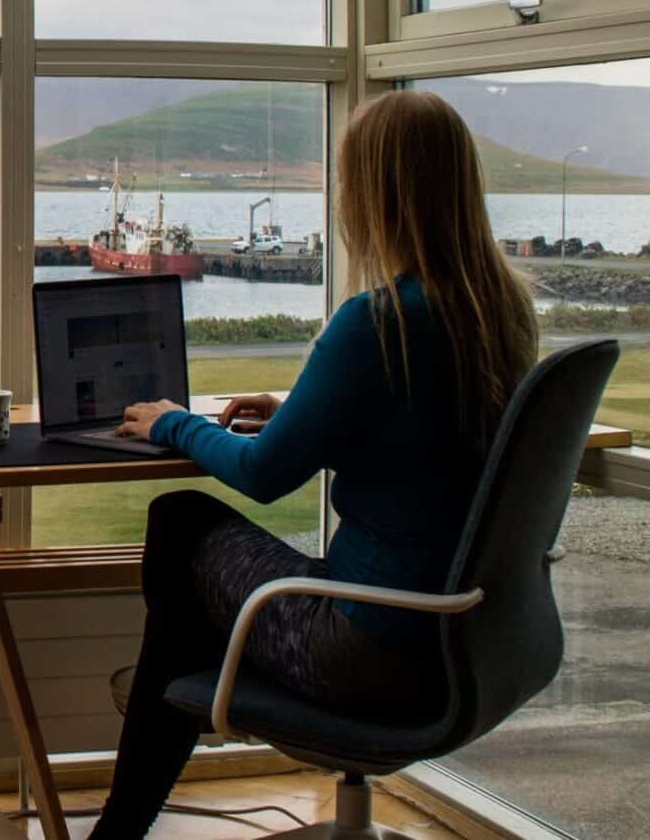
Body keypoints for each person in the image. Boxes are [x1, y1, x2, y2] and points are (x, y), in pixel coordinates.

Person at [89, 91, 539, 840]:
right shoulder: (502, 313)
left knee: (181, 520)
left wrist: (174, 424)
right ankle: (173, 698)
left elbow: (264, 476)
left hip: (366, 651)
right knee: (188, 605)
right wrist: (305, 412)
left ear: (371, 194)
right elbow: (422, 434)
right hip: (473, 643)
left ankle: (145, 769)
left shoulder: (378, 323)